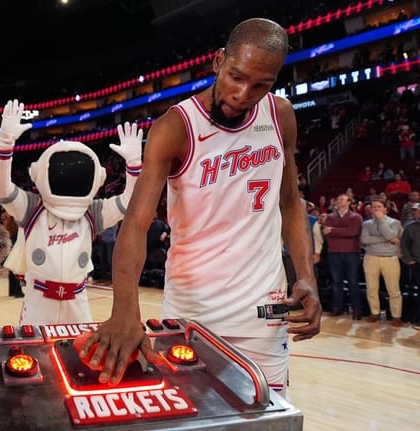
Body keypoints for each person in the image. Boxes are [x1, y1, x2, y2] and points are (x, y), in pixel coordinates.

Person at [78, 18, 322, 398]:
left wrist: (305, 274)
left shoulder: (280, 115)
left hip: (264, 313)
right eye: (236, 76)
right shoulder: (176, 127)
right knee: (191, 418)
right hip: (193, 312)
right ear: (218, 61)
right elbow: (137, 224)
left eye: (261, 85)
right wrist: (125, 308)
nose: (243, 93)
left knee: (266, 420)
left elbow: (290, 201)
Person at [0, 100, 142, 325]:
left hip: (77, 301)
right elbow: (0, 189)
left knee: (78, 358)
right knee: (34, 357)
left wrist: (135, 164)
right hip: (39, 300)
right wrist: (4, 143)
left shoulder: (92, 212)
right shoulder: (33, 208)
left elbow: (131, 201)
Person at [360, 198, 403, 327]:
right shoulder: (366, 224)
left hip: (390, 258)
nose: (376, 209)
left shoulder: (395, 222)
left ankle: (396, 316)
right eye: (374, 207)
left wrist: (381, 220)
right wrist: (385, 239)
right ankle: (375, 312)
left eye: (379, 207)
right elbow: (365, 239)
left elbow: (391, 236)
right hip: (371, 258)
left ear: (385, 209)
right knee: (371, 288)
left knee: (393, 290)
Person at [323, 193, 365, 318]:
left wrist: (334, 230)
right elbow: (326, 232)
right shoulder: (330, 217)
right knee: (337, 282)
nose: (339, 201)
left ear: (349, 202)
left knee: (353, 281)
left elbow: (353, 232)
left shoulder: (356, 217)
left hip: (352, 252)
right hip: (334, 253)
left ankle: (356, 309)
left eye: (342, 199)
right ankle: (337, 307)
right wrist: (342, 231)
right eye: (338, 199)